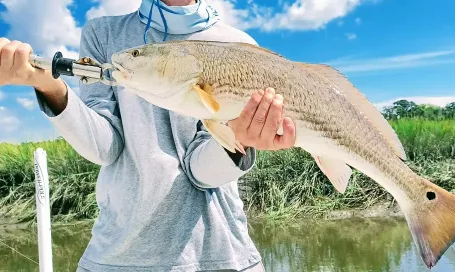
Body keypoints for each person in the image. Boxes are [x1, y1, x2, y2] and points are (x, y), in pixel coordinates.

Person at [0, 0, 296, 271]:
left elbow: (200, 171)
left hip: (221, 257)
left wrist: (238, 140)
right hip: (116, 258)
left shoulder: (239, 45)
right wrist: (51, 88)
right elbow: (105, 147)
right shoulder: (103, 34)